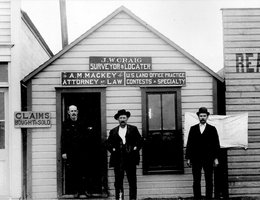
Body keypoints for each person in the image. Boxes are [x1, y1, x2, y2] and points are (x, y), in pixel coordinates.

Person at [106, 109, 143, 200]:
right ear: (118, 119)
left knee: (132, 182)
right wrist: (113, 150)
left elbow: (140, 141)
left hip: (130, 159)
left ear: (127, 119)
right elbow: (107, 143)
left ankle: (132, 199)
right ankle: (120, 198)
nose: (122, 119)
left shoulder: (133, 129)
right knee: (118, 182)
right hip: (118, 160)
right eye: (121, 118)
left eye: (124, 118)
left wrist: (135, 148)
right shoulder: (113, 131)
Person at [185, 107, 220, 199]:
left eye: (204, 116)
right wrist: (188, 158)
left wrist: (216, 158)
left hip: (208, 159)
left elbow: (216, 144)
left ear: (207, 116)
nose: (202, 118)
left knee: (209, 180)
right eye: (201, 116)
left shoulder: (212, 129)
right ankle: (197, 198)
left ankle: (208, 198)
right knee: (196, 180)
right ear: (198, 117)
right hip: (196, 159)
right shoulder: (193, 129)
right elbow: (189, 144)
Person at [61, 105, 93, 198]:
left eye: (75, 111)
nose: (73, 113)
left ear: (77, 112)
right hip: (72, 152)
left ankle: (86, 190)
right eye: (72, 111)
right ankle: (77, 191)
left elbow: (89, 137)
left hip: (84, 152)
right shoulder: (65, 124)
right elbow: (63, 139)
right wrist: (64, 152)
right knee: (74, 172)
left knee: (85, 171)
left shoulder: (84, 122)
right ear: (68, 112)